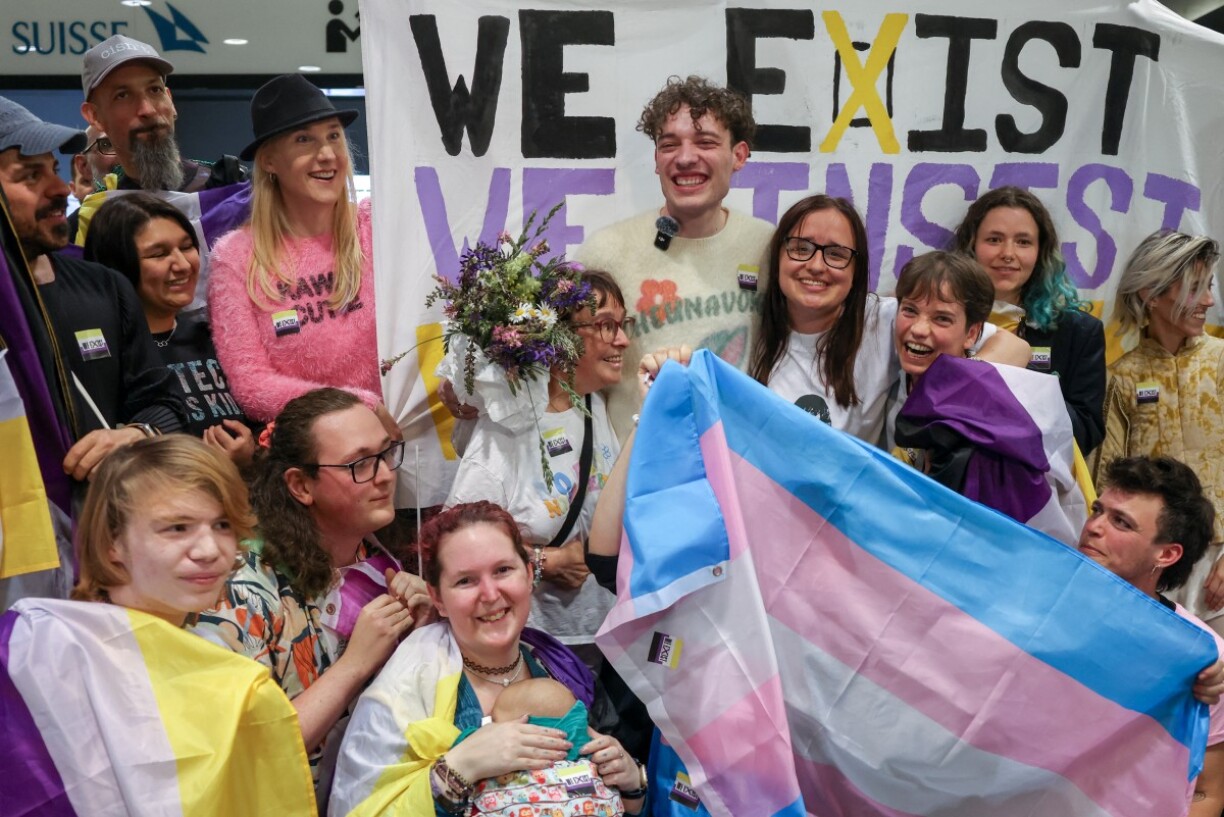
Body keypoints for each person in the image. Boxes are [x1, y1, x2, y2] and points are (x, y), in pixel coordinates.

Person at [2, 435, 316, 814]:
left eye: (221, 524)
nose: (209, 550)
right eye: (177, 528)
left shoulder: (230, 676)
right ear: (111, 543)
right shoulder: (36, 647)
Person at [329, 500, 645, 815]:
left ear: (529, 574)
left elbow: (621, 804)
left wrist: (632, 780)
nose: (491, 594)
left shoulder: (564, 670)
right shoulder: (406, 688)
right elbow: (362, 808)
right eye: (465, 580)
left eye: (503, 570)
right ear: (437, 597)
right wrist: (462, 766)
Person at [194, 387, 430, 796]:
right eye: (360, 464)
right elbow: (248, 750)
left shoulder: (375, 554)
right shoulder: (240, 590)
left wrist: (423, 631)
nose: (386, 474)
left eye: (387, 453)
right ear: (301, 486)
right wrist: (354, 665)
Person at [446, 269, 625, 670]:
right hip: (536, 648)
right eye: (606, 326)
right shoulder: (510, 427)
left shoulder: (597, 405)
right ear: (560, 338)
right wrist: (546, 563)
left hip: (604, 636)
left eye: (622, 324)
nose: (623, 339)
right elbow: (454, 543)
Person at [0, 96, 185, 482]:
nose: (58, 188)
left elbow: (165, 404)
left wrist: (136, 435)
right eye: (30, 175)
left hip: (103, 524)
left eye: (53, 169)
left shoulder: (104, 286)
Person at [750, 195, 1027, 445]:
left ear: (856, 270)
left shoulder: (882, 319)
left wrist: (961, 380)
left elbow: (1017, 349)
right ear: (778, 256)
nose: (816, 265)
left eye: (836, 254)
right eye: (800, 248)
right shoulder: (748, 321)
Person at [207, 73, 390, 432]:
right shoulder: (237, 257)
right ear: (270, 161)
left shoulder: (376, 226)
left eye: (333, 135)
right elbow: (252, 386)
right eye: (304, 140)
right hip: (312, 458)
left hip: (410, 442)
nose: (326, 154)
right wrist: (360, 406)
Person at [889, 252, 1086, 545]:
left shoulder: (994, 419)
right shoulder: (910, 379)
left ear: (972, 334)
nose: (919, 329)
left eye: (942, 318)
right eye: (909, 310)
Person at [1079, 455, 1224, 816]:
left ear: (1167, 554)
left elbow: (1205, 794)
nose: (1094, 526)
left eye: (1121, 522)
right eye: (1098, 510)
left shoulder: (1202, 659)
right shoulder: (1031, 601)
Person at [1095, 230, 1224, 633]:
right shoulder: (1122, 377)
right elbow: (1110, 484)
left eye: (1209, 287)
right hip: (1150, 569)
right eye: (1196, 288)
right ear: (1151, 292)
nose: (1209, 301)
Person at [84, 192, 255, 464]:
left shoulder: (213, 338)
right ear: (117, 265)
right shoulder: (106, 359)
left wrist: (250, 451)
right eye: (159, 254)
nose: (183, 264)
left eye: (187, 247)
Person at [952, 186, 1105, 454]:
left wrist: (1026, 384)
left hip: (1036, 484)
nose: (1008, 253)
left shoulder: (1078, 331)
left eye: (1023, 242)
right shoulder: (944, 321)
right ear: (971, 245)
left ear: (1040, 251)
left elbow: (1086, 434)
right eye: (994, 239)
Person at [78, 34, 247, 196]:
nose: (148, 110)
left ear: (170, 101)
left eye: (155, 90)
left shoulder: (236, 194)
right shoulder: (97, 218)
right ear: (94, 116)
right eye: (122, 95)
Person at [458, 678, 626, 815]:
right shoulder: (583, 755)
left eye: (493, 718)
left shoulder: (505, 756)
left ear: (522, 726)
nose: (488, 720)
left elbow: (466, 746)